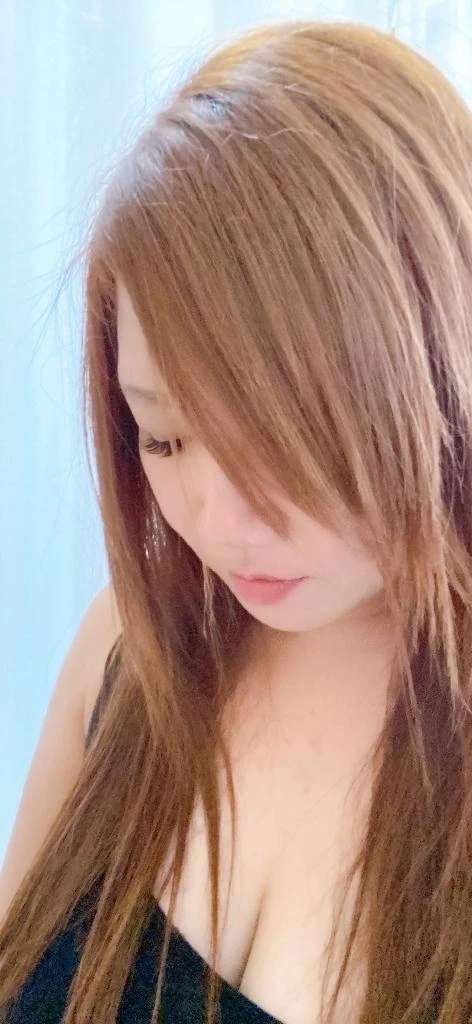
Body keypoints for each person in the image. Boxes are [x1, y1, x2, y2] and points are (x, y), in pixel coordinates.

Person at [1, 17, 471, 1024]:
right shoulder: (128, 651)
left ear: (434, 367)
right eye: (164, 439)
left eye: (278, 437)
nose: (215, 521)